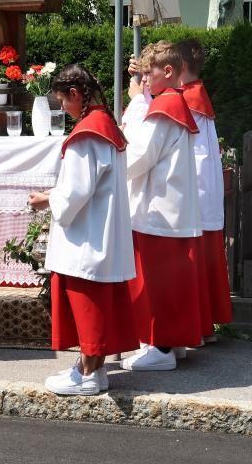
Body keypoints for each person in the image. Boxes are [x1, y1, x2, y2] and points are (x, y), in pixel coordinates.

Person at [28, 65, 137, 395]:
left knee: (87, 303)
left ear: (75, 94)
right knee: (97, 304)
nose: (62, 107)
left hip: (87, 236)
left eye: (62, 100)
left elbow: (76, 191)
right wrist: (53, 196)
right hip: (102, 229)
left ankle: (89, 377)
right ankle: (92, 370)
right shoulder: (105, 124)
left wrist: (47, 201)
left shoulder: (86, 134)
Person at [120, 41, 203, 371]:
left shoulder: (165, 106)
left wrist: (111, 166)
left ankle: (162, 348)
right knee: (169, 281)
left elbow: (139, 156)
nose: (143, 80)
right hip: (170, 208)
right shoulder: (173, 102)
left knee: (157, 282)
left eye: (148, 72)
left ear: (167, 72)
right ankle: (171, 344)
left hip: (159, 211)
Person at [177, 39, 232, 339]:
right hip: (205, 191)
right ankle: (207, 324)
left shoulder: (187, 99)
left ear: (181, 66)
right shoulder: (197, 95)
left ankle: (197, 328)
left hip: (194, 191)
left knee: (194, 263)